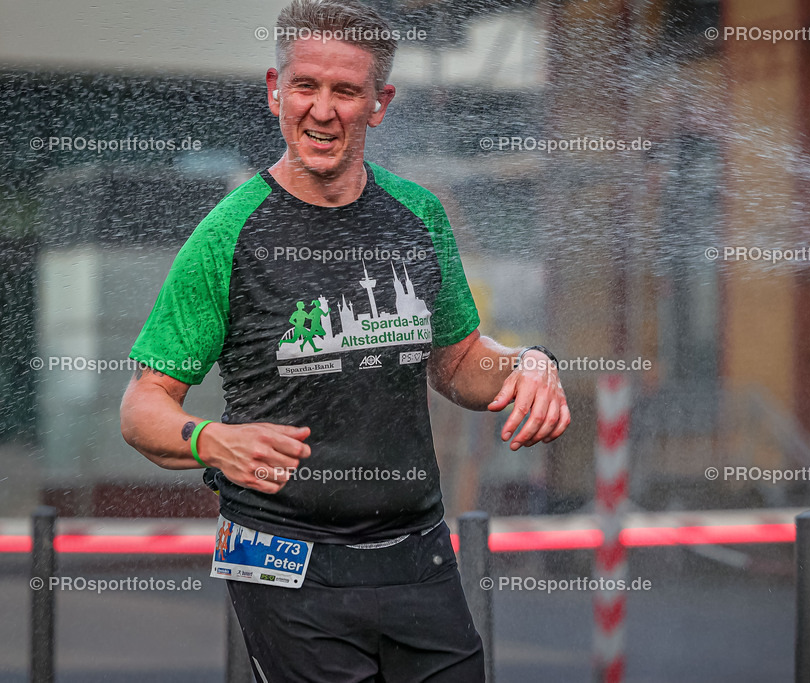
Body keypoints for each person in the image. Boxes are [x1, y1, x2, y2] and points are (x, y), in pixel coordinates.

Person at [119, 1, 570, 680]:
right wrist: (207, 439)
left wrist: (530, 362)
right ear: (276, 89)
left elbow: (459, 362)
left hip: (417, 553)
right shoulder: (228, 233)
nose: (322, 110)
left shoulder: (418, 215)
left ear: (379, 103)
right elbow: (142, 405)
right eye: (306, 86)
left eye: (346, 91)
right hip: (281, 556)